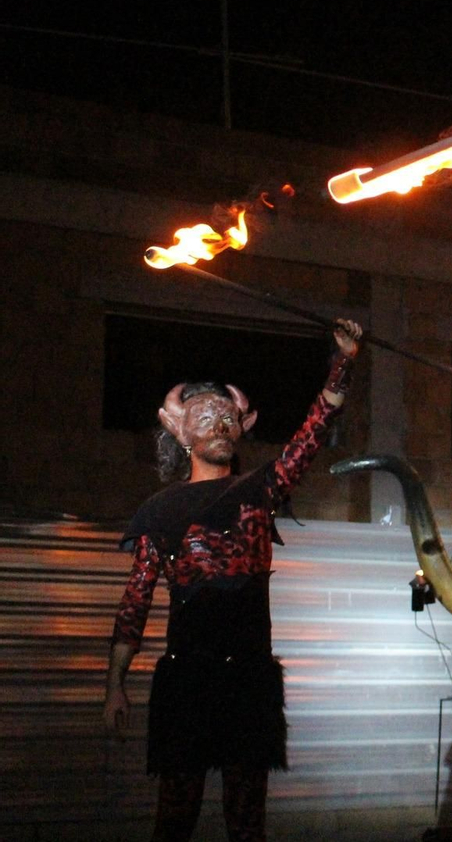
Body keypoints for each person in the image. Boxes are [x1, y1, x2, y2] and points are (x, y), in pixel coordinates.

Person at [104, 320, 362, 842]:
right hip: (187, 681)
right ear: (179, 432)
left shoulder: (261, 490)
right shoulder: (161, 510)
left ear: (242, 425)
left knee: (247, 823)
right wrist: (115, 684)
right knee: (175, 818)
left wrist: (344, 361)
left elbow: (313, 430)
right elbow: (136, 598)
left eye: (226, 416)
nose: (218, 424)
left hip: (247, 681)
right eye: (204, 417)